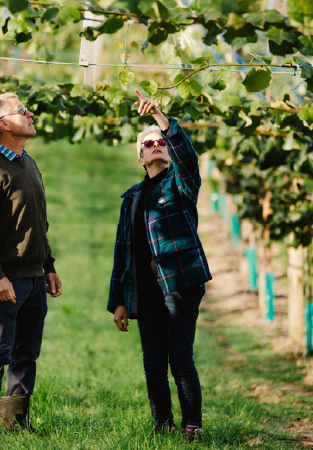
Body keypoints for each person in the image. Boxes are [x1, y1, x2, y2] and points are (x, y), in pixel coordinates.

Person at [107, 89, 212, 442]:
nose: (155, 144)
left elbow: (187, 157)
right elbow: (123, 253)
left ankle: (192, 425)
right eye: (147, 144)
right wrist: (118, 299)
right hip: (145, 289)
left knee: (179, 356)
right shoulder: (132, 198)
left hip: (179, 283)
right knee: (153, 361)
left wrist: (160, 120)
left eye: (159, 142)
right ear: (140, 157)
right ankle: (161, 422)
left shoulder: (181, 184)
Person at [0, 93, 63, 435]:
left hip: (33, 278)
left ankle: (15, 424)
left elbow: (37, 222)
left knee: (26, 353)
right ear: (3, 124)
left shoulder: (29, 164)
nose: (30, 112)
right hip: (5, 279)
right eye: (22, 110)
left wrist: (48, 265)